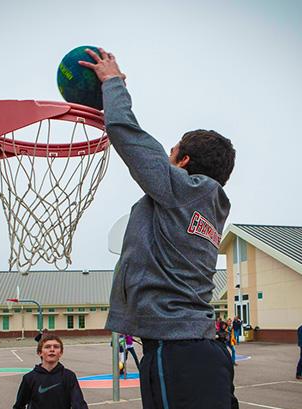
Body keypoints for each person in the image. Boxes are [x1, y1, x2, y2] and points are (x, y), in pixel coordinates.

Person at [80, 48, 238, 409]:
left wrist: (114, 83)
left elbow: (129, 136)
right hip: (197, 346)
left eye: (171, 153)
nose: (165, 159)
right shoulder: (208, 205)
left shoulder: (185, 189)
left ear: (183, 163)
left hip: (178, 350)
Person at [13, 334, 88, 409]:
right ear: (40, 353)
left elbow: (79, 404)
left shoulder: (69, 376)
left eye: (56, 347)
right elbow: (19, 405)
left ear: (61, 353)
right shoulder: (29, 378)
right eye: (47, 347)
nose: (52, 349)